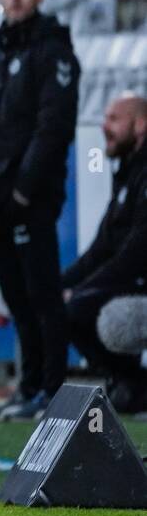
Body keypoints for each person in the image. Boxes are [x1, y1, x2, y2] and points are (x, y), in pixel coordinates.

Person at [0, 0, 80, 422]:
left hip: (28, 202)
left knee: (42, 295)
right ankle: (29, 385)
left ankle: (53, 392)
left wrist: (21, 192)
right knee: (16, 297)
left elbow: (51, 130)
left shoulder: (53, 51)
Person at [62, 94, 147, 413]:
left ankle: (133, 384)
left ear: (140, 125)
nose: (104, 126)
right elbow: (101, 250)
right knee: (65, 305)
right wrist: (56, 287)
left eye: (114, 119)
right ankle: (129, 384)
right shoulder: (127, 171)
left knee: (86, 310)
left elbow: (135, 254)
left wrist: (80, 293)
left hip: (138, 280)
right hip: (133, 279)